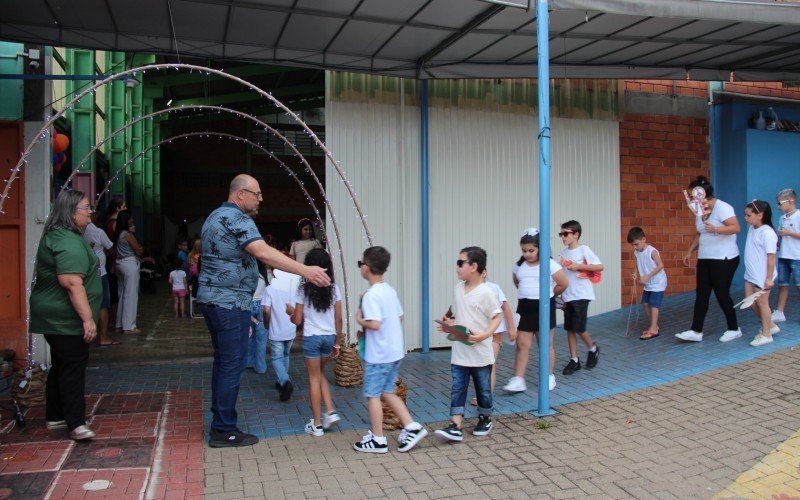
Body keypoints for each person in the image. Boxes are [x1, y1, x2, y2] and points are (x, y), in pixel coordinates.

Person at [198, 174, 330, 448]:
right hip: (229, 304)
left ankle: (220, 419)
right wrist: (306, 270)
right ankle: (223, 429)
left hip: (214, 302)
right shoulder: (238, 219)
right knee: (232, 366)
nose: (261, 199)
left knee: (223, 363)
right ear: (240, 195)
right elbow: (263, 252)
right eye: (257, 194)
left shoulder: (214, 216)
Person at [29, 190, 102, 440]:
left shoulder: (59, 235)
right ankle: (76, 423)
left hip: (53, 315)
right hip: (64, 318)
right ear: (71, 212)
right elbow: (72, 282)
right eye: (86, 207)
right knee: (72, 365)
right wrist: (88, 319)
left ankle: (55, 416)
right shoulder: (67, 240)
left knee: (61, 365)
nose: (90, 211)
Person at [353, 246, 428, 454]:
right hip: (394, 352)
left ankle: (378, 439)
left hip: (379, 355)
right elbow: (399, 317)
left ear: (366, 268)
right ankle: (412, 426)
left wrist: (360, 319)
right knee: (387, 391)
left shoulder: (371, 295)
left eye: (361, 264)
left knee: (373, 394)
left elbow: (375, 323)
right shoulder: (389, 290)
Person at [435, 247, 501, 442]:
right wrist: (449, 324)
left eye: (460, 263)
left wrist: (484, 335)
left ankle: (485, 417)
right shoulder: (457, 288)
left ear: (473, 266)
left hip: (480, 354)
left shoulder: (486, 293)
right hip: (460, 352)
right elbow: (457, 313)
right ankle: (455, 424)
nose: (457, 267)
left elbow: (496, 317)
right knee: (458, 387)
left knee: (483, 389)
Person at [676, 176, 742, 343]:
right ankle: (696, 330)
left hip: (724, 258)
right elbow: (700, 232)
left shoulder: (723, 208)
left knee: (721, 293)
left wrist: (717, 229)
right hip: (705, 257)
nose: (691, 198)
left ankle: (734, 328)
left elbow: (736, 228)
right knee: (702, 294)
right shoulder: (699, 211)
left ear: (703, 193)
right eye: (690, 195)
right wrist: (690, 251)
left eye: (693, 195)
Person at [504, 229, 568, 392]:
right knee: (522, 344)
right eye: (524, 251)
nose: (527, 254)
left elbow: (563, 283)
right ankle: (518, 379)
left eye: (531, 251)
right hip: (525, 308)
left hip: (544, 307)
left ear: (541, 248)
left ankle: (549, 376)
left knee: (545, 344)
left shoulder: (549, 264)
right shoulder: (519, 265)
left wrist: (550, 294)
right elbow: (516, 281)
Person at [287, 249, 343, 437]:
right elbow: (339, 319)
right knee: (319, 374)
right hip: (329, 338)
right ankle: (331, 411)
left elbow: (297, 321)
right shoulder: (334, 288)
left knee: (313, 378)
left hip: (312, 338)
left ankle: (317, 424)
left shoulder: (303, 289)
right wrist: (337, 343)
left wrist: (290, 312)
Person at [559, 220, 604, 374]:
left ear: (576, 235)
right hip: (568, 295)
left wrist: (579, 266)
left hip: (581, 294)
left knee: (579, 327)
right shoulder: (563, 253)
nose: (563, 237)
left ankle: (593, 348)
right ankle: (574, 360)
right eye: (561, 234)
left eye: (566, 234)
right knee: (570, 329)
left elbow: (599, 266)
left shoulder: (584, 249)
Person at [469, 271, 515, 404]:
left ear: (484, 273)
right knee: (478, 365)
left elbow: (505, 308)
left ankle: (485, 395)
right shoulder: (466, 288)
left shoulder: (494, 288)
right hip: (476, 334)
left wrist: (511, 328)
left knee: (490, 364)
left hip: (494, 333)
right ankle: (482, 391)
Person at [744, 200, 780, 347]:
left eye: (749, 215)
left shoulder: (767, 233)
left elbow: (771, 257)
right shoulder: (753, 228)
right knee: (750, 302)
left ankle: (766, 334)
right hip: (751, 274)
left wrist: (769, 278)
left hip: (762, 275)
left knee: (763, 304)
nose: (746, 218)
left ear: (760, 215)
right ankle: (771, 325)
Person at [263, 269, 300, 401]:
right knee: (285, 355)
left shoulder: (270, 289)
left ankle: (285, 381)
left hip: (276, 330)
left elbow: (266, 310)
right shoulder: (294, 289)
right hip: (291, 329)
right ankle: (282, 380)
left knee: (276, 358)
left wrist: (266, 323)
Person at [83, 213, 117, 346]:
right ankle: (103, 336)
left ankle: (87, 335)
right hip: (99, 272)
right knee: (103, 304)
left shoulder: (77, 232)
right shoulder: (98, 232)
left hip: (84, 273)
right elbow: (111, 248)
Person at [627, 227, 667, 340]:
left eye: (636, 244)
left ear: (643, 239)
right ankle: (654, 326)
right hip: (648, 284)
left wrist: (647, 276)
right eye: (633, 245)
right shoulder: (637, 252)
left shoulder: (652, 251)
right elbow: (636, 264)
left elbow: (661, 265)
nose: (635, 247)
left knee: (654, 305)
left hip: (658, 282)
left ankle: (653, 330)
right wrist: (635, 273)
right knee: (645, 303)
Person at [113, 211, 143, 334]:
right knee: (131, 295)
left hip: (119, 263)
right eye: (130, 219)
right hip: (130, 264)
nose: (132, 221)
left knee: (122, 294)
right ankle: (129, 326)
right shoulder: (128, 234)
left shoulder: (118, 234)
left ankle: (119, 324)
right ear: (126, 220)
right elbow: (138, 251)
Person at [773, 188, 800, 322]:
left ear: (791, 201)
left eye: (780, 203)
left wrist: (788, 233)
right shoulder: (782, 218)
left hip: (797, 256)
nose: (779, 206)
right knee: (782, 284)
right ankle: (779, 312)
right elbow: (780, 234)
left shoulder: (799, 215)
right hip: (784, 256)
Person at [102, 196, 126, 326]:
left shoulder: (109, 222)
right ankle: (115, 319)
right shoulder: (113, 223)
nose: (126, 209)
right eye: (124, 206)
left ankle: (116, 318)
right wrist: (113, 261)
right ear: (118, 208)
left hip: (113, 259)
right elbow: (113, 245)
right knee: (115, 290)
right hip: (113, 260)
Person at [246, 266, 268, 374]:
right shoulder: (267, 275)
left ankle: (249, 362)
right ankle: (261, 367)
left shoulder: (246, 273)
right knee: (261, 339)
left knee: (249, 336)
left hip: (249, 306)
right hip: (262, 306)